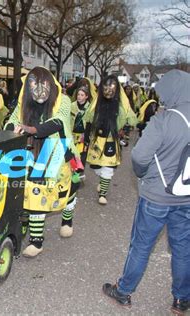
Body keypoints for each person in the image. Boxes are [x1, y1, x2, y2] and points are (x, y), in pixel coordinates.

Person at [102, 69, 190, 316]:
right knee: (183, 248)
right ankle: (182, 300)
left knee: (141, 245)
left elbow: (140, 156)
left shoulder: (164, 119)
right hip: (186, 197)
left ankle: (123, 291)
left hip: (156, 195)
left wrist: (144, 175)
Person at [4, 67, 78, 257]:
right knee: (32, 192)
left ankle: (67, 219)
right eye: (34, 85)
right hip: (31, 153)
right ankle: (36, 241)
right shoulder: (23, 103)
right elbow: (11, 120)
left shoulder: (65, 100)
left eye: (44, 85)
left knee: (68, 191)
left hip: (57, 153)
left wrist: (31, 129)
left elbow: (59, 121)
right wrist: (13, 127)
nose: (39, 90)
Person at [83, 75, 138, 205]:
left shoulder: (120, 106)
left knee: (108, 167)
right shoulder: (96, 104)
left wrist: (123, 127)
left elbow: (130, 119)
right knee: (96, 166)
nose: (108, 91)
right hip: (97, 140)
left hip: (111, 141)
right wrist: (86, 138)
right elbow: (89, 121)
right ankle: (102, 181)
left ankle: (103, 193)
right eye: (105, 88)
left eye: (111, 88)